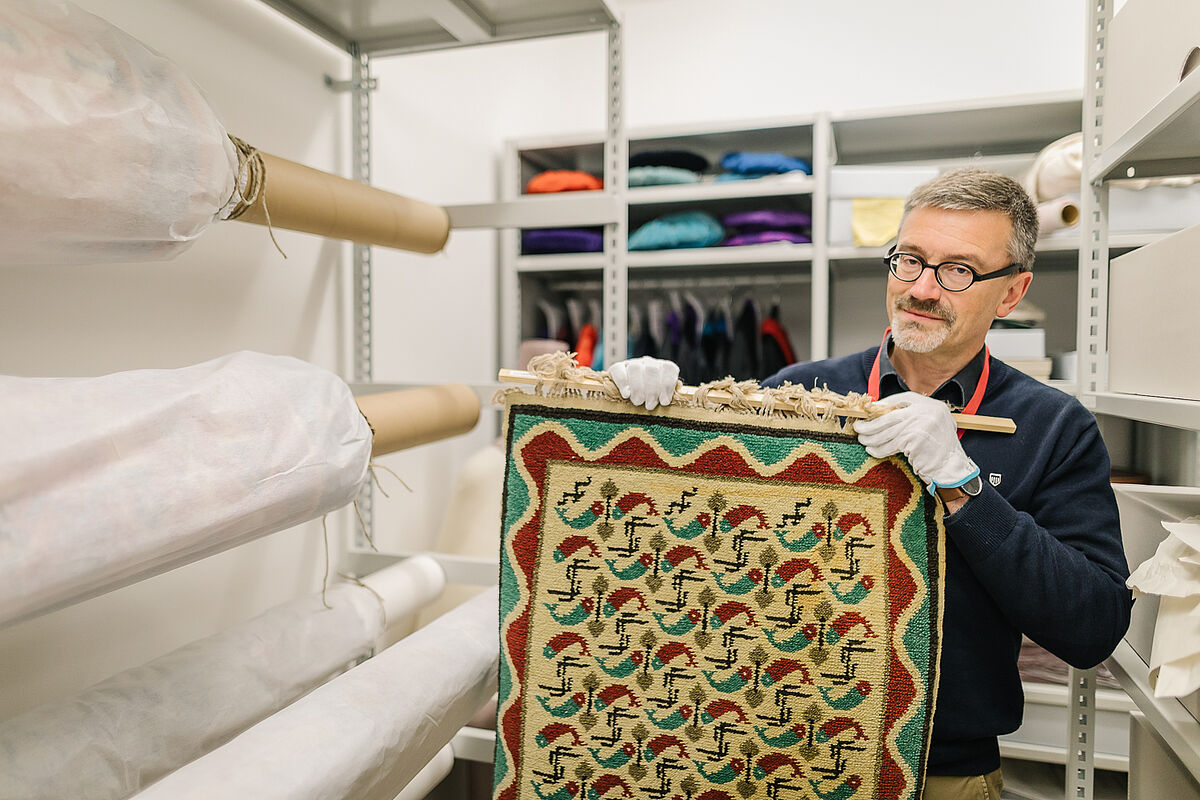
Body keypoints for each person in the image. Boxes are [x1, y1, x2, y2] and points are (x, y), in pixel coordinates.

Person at [608, 168, 1132, 800]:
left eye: (958, 270)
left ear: (1011, 294)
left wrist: (964, 488)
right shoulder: (801, 394)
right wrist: (650, 425)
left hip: (948, 770)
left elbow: (1093, 627)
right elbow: (692, 546)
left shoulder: (1051, 427)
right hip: (777, 754)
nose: (922, 288)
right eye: (909, 260)